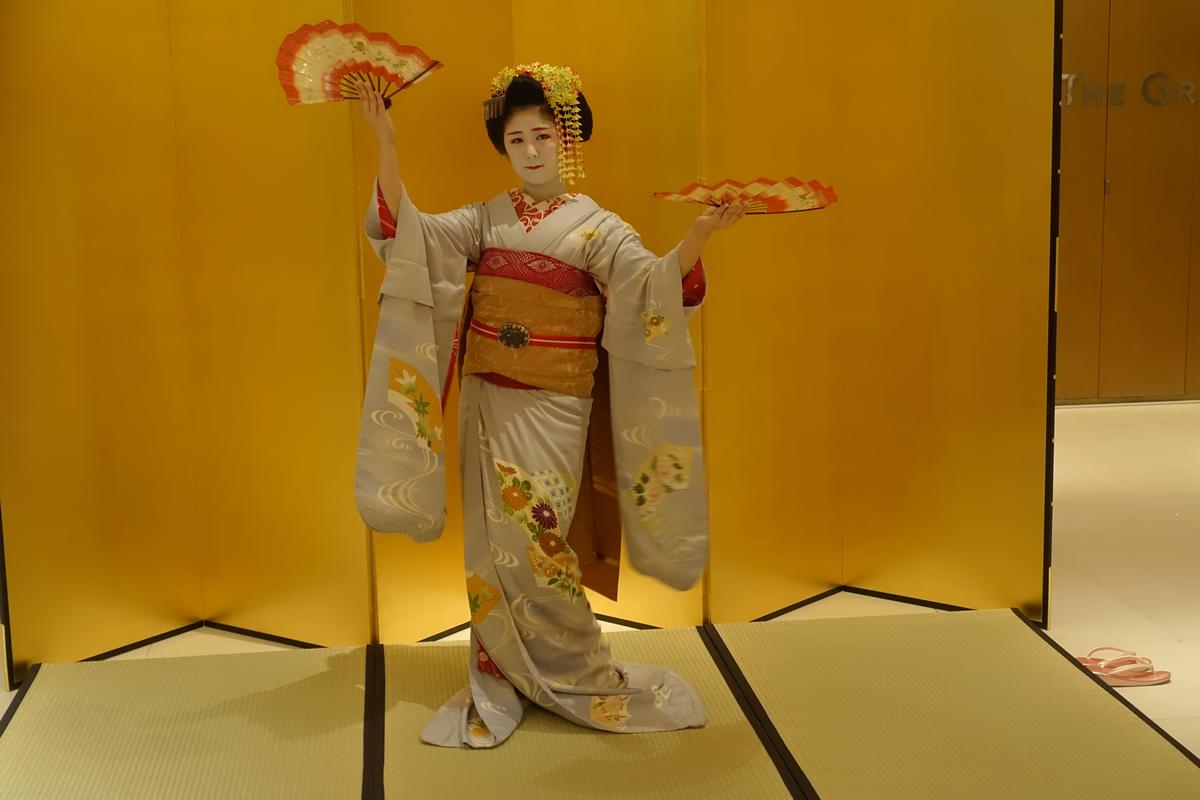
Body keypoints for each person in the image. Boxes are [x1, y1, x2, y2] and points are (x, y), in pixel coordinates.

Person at [350, 64, 746, 748]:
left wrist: (702, 235)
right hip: (487, 399)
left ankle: (570, 666)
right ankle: (500, 664)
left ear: (568, 141)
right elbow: (410, 235)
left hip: (557, 403)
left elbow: (653, 287)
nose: (531, 151)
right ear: (503, 149)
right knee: (493, 546)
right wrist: (385, 141)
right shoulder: (485, 218)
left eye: (543, 136)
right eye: (516, 140)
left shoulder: (599, 230)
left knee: (540, 541)